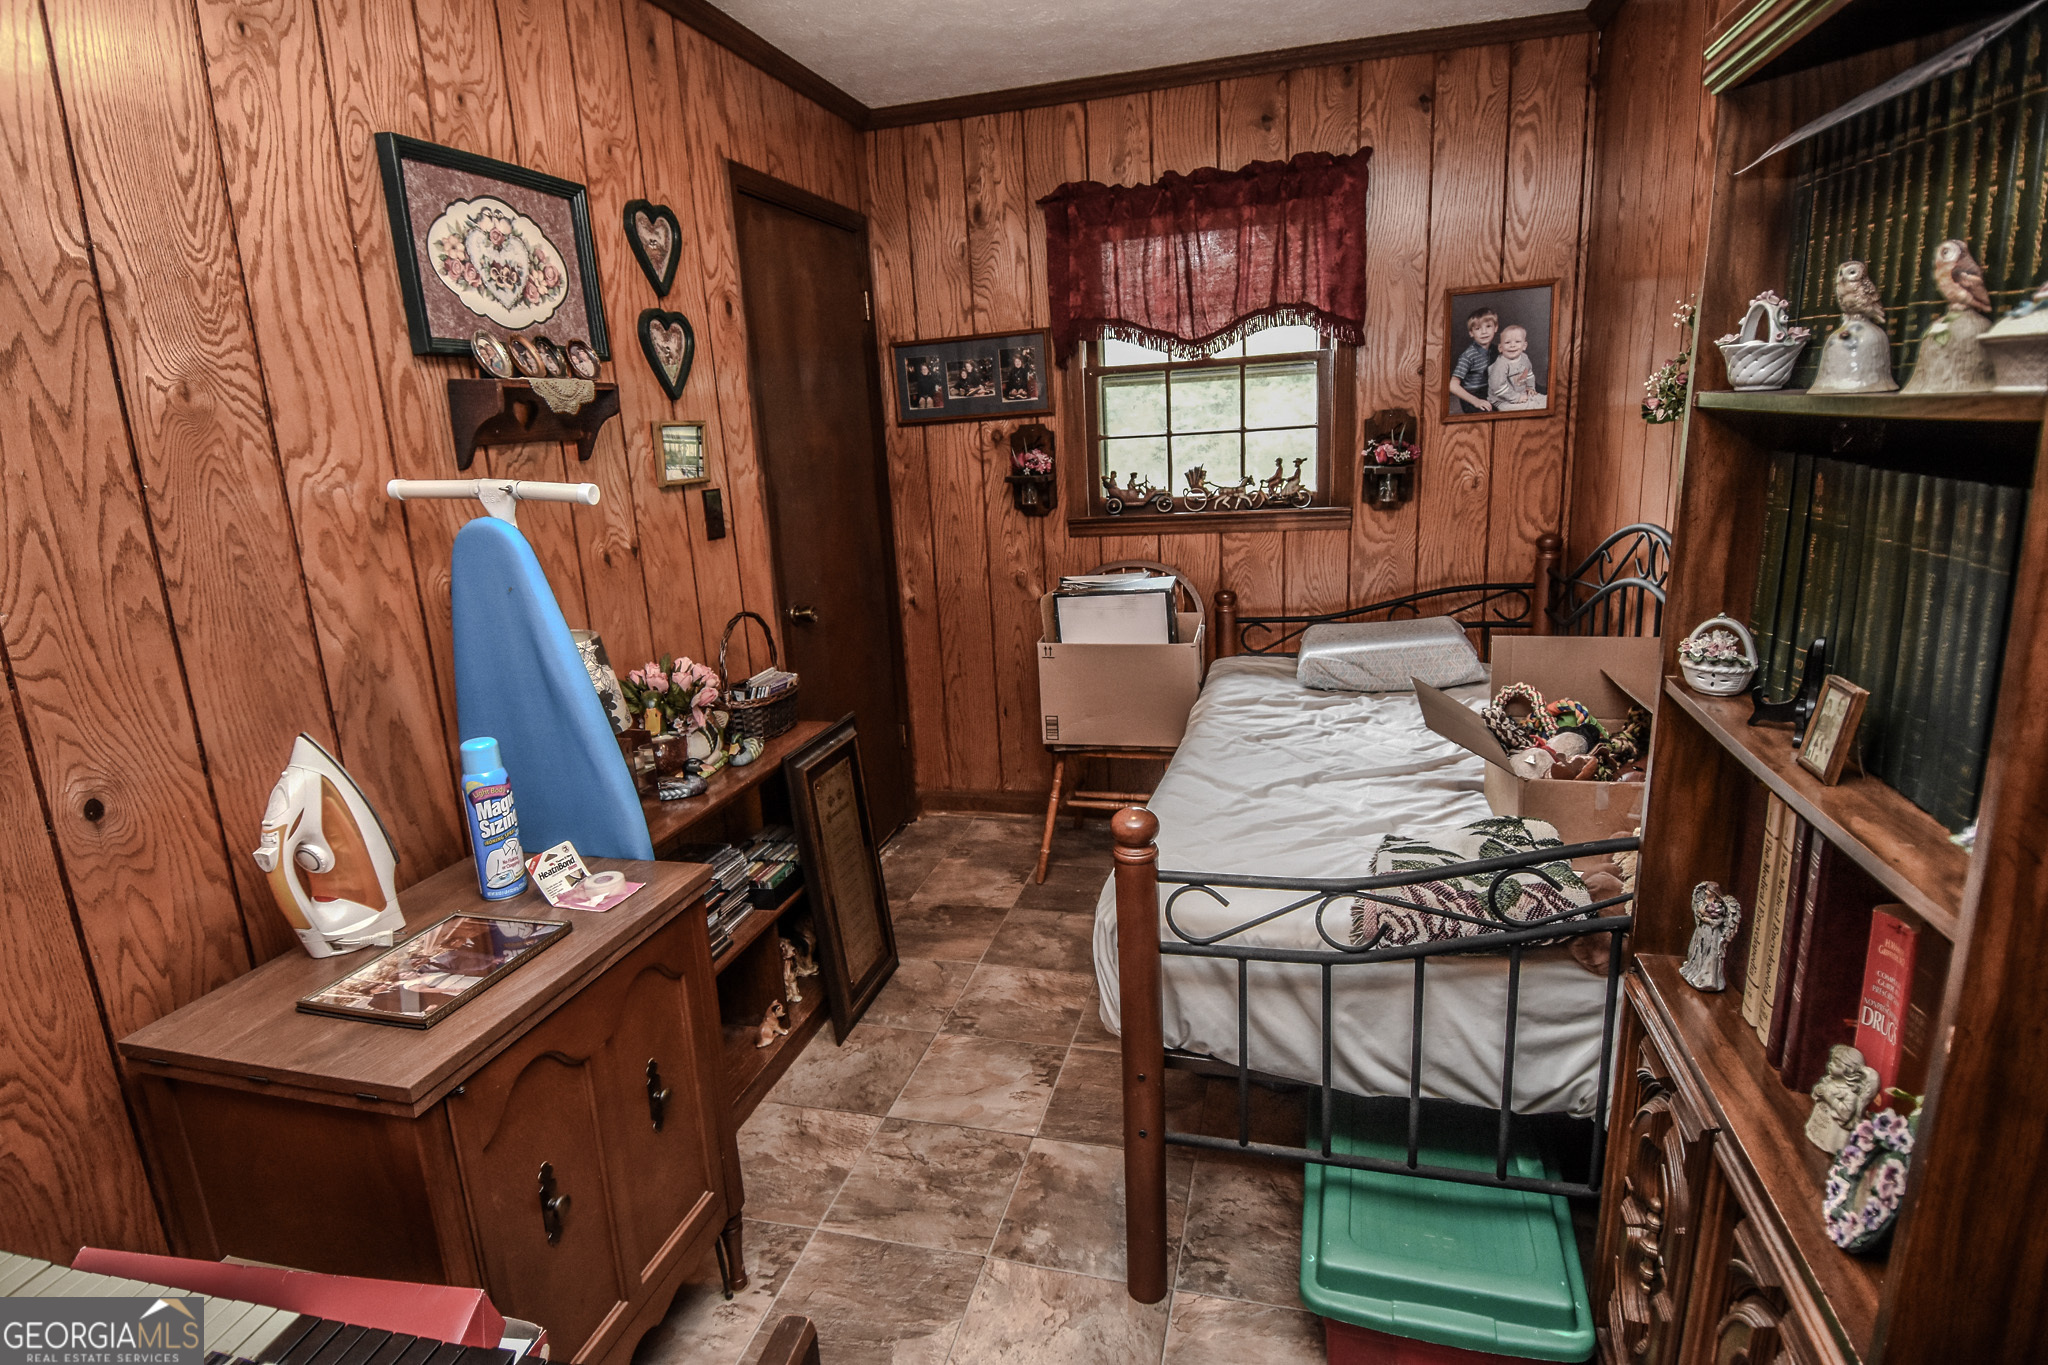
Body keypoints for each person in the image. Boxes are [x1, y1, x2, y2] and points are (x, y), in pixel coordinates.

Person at [1488, 324, 1545, 410]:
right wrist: (1517, 398)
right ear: (1500, 348)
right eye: (1507, 342)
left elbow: (1529, 374)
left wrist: (1530, 387)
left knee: (1544, 400)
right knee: (1530, 408)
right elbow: (1498, 388)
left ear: (1524, 346)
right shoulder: (1501, 364)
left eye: (1517, 341)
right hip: (1502, 400)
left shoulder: (1524, 358)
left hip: (1521, 393)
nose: (1512, 345)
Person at [1450, 308, 1497, 413]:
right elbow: (1452, 385)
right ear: (1471, 333)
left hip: (1489, 390)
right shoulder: (1468, 356)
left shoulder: (1495, 349)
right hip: (1472, 396)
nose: (1484, 332)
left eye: (1488, 326)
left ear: (1496, 328)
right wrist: (1476, 401)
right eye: (1478, 328)